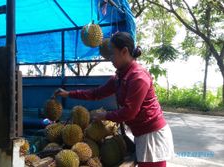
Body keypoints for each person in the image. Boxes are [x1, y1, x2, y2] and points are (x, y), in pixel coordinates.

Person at [53, 32, 174, 167]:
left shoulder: (138, 77)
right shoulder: (119, 77)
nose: (109, 58)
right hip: (141, 133)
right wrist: (68, 94)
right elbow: (96, 93)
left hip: (152, 135)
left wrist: (104, 115)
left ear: (124, 51)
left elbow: (130, 112)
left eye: (112, 53)